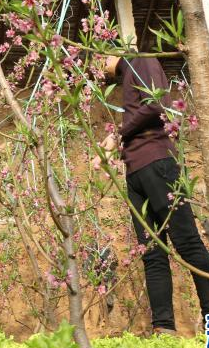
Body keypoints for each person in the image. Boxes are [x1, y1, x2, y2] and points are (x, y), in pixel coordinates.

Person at [101, 55, 209, 335]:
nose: (97, 68)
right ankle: (164, 331)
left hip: (157, 162)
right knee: (151, 253)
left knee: (188, 244)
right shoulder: (127, 75)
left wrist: (118, 135)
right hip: (136, 171)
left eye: (98, 60)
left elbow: (155, 104)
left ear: (110, 53)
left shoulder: (142, 61)